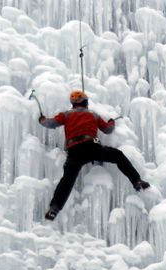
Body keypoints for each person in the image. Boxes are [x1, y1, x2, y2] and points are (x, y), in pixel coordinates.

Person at [39, 90, 150, 220]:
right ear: (86, 102)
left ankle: (54, 208)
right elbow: (108, 130)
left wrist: (42, 120)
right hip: (92, 146)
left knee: (67, 181)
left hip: (74, 151)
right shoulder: (93, 115)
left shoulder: (66, 115)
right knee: (118, 156)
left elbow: (50, 123)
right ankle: (137, 181)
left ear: (72, 104)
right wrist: (111, 122)